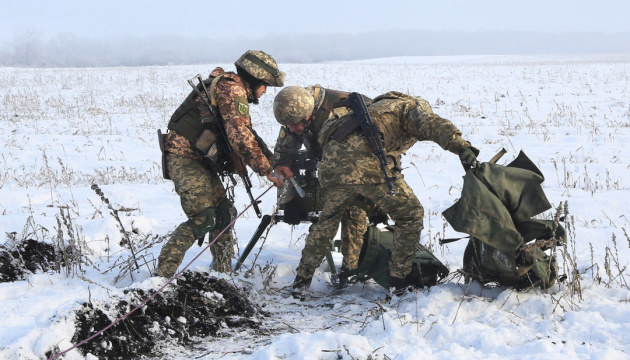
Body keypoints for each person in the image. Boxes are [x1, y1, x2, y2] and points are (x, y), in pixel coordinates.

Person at [290, 90, 479, 298]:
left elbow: (327, 132)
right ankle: (398, 284)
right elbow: (431, 124)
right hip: (366, 165)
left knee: (326, 222)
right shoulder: (409, 108)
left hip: (331, 167)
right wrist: (462, 147)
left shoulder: (371, 110)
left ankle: (302, 280)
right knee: (410, 215)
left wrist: (371, 203)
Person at [154, 50, 285, 278]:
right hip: (185, 158)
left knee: (224, 214)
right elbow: (239, 136)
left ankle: (222, 274)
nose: (264, 92)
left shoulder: (232, 89)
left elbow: (247, 133)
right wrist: (266, 170)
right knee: (203, 218)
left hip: (200, 159)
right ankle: (161, 277)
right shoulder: (232, 88)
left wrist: (272, 161)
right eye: (264, 85)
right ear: (254, 78)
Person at [272, 85, 381, 272]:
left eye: (296, 124)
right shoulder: (295, 109)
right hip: (333, 160)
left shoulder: (338, 114)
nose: (292, 129)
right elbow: (283, 158)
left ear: (308, 115)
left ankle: (351, 269)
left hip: (362, 161)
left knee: (353, 210)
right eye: (288, 125)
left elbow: (356, 165)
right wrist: (290, 199)